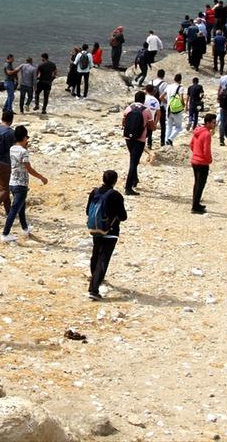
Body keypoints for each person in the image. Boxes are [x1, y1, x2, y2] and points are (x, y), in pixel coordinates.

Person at [1, 125, 48, 242]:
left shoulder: (12, 148)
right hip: (21, 184)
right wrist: (41, 177)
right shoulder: (24, 152)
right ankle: (5, 234)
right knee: (15, 209)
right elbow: (29, 168)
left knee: (21, 207)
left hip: (12, 182)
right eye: (27, 137)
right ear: (24, 137)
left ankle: (25, 228)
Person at [87, 170, 127, 301]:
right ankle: (94, 289)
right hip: (111, 232)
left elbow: (88, 211)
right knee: (103, 259)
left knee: (96, 254)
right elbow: (123, 216)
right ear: (115, 181)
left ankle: (95, 278)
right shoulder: (116, 196)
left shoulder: (94, 192)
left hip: (95, 229)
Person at [122, 90, 155, 195]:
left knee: (133, 158)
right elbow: (152, 126)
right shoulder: (146, 111)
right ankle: (128, 187)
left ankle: (135, 180)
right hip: (140, 139)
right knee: (134, 162)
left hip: (128, 137)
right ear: (143, 100)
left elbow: (123, 122)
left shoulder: (128, 108)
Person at [189, 113, 216, 214]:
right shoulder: (206, 134)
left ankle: (195, 203)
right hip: (202, 162)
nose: (215, 124)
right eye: (213, 123)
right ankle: (195, 206)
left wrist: (196, 152)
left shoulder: (198, 131)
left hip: (195, 160)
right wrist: (209, 160)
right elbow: (206, 150)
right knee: (201, 184)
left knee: (197, 183)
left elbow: (191, 144)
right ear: (208, 123)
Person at [164, 73, 186, 145]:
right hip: (176, 109)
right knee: (179, 127)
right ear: (180, 80)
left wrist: (167, 102)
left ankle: (166, 142)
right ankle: (170, 139)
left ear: (174, 79)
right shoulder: (180, 88)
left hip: (168, 109)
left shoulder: (169, 86)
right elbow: (181, 99)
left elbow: (161, 97)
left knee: (169, 127)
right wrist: (183, 106)